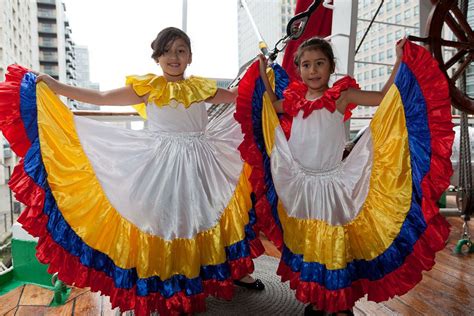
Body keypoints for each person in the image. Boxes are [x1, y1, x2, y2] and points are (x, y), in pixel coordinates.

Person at [0, 27, 265, 316]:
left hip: (201, 163)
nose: (174, 57)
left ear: (190, 56)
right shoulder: (149, 87)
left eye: (181, 50)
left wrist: (263, 72)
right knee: (163, 222)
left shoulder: (202, 87)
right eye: (167, 51)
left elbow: (239, 96)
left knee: (202, 219)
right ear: (157, 57)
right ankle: (164, 284)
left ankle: (213, 274)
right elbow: (101, 96)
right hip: (161, 167)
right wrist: (58, 87)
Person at [234, 37, 454, 315]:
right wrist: (263, 69)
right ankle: (318, 296)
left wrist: (399, 61)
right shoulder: (293, 100)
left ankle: (339, 304)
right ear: (298, 69)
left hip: (332, 185)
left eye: (319, 63)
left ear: (331, 67)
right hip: (301, 185)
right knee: (311, 242)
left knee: (333, 242)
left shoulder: (341, 96)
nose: (312, 70)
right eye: (306, 65)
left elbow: (386, 98)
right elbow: (268, 104)